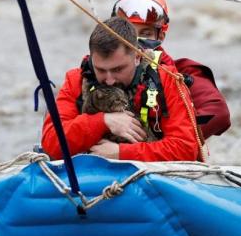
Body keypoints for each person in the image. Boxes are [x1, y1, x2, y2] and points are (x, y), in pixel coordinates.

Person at [40, 16, 201, 162]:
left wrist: (121, 153)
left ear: (137, 57)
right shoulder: (76, 80)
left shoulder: (167, 80)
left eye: (118, 69)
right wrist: (102, 121)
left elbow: (186, 149)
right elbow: (52, 143)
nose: (109, 80)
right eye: (101, 70)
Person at [112, 0, 231, 139]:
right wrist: (102, 121)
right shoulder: (99, 68)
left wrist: (173, 140)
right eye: (128, 33)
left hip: (163, 151)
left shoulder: (183, 72)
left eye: (145, 33)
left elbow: (219, 114)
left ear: (160, 36)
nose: (135, 42)